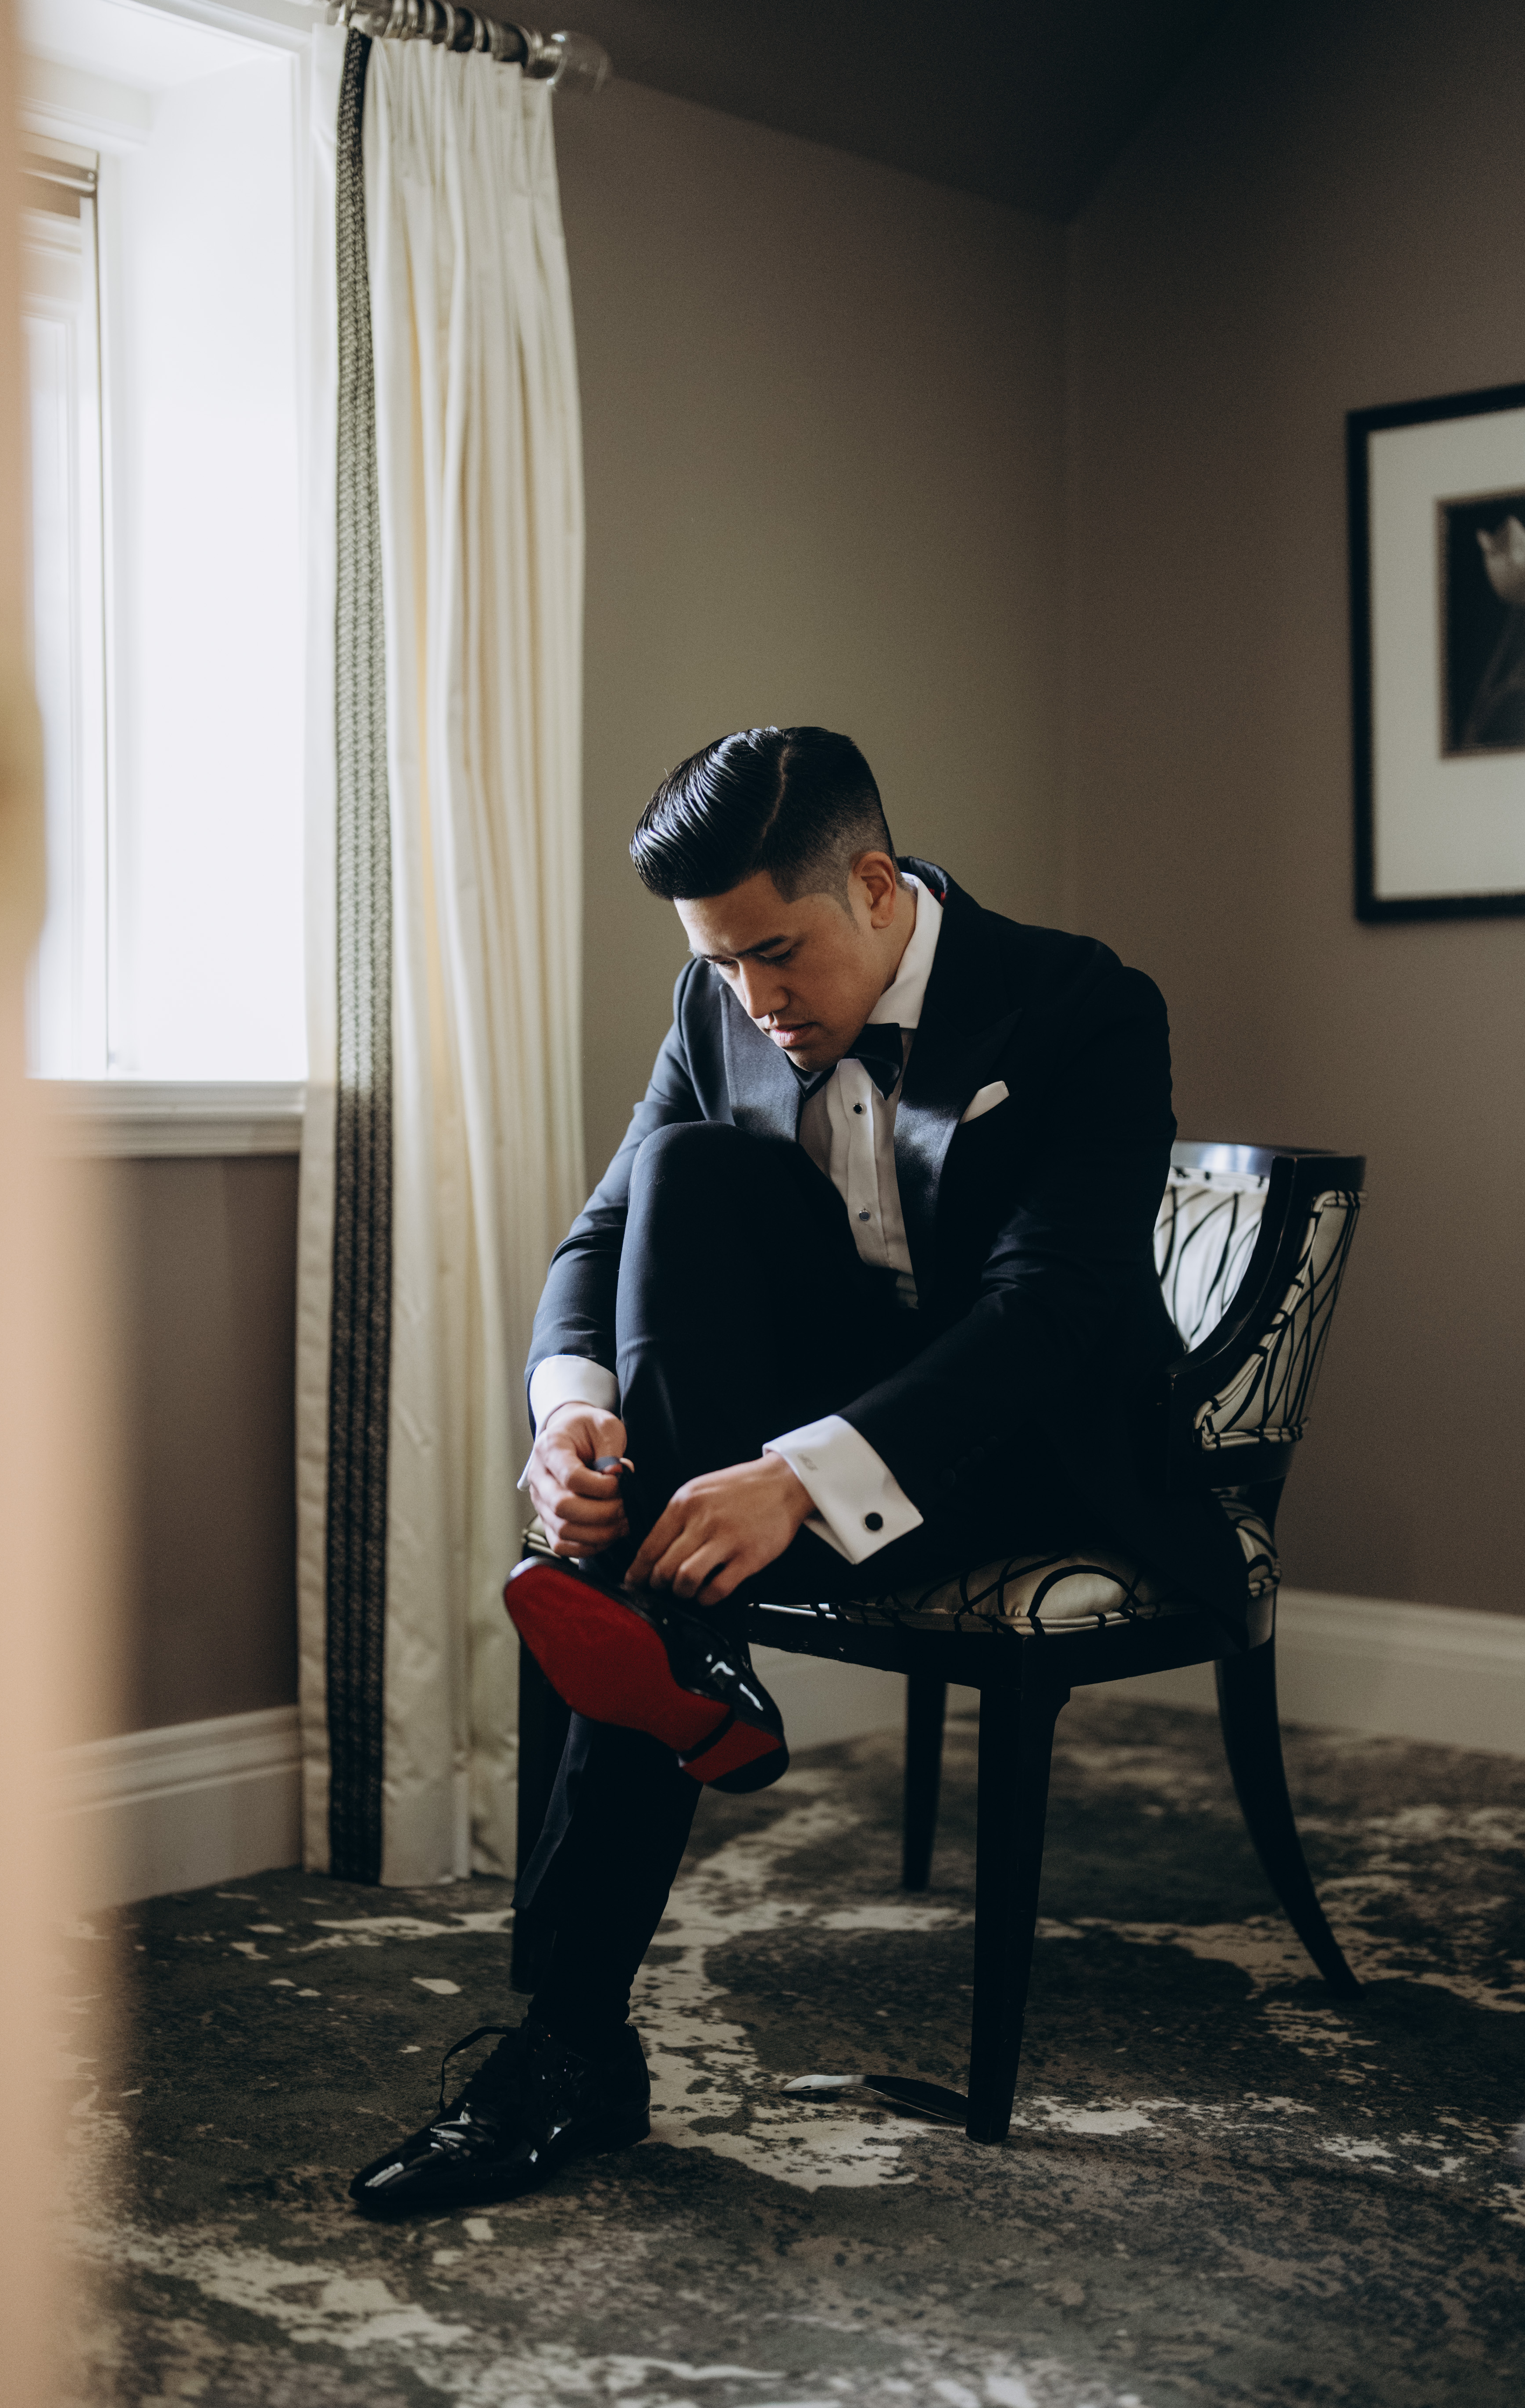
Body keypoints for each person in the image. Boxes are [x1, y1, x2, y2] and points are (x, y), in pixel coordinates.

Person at [350, 725, 1248, 2216]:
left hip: (1027, 1445)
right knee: (678, 1188)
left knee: (618, 1578)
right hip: (793, 1434)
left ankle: (570, 2040)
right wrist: (569, 1417)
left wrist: (800, 1476)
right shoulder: (718, 1004)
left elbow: (1053, 1311)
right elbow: (601, 1237)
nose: (754, 1001)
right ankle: (664, 1666)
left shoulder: (1083, 1003)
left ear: (876, 886)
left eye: (776, 953)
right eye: (719, 964)